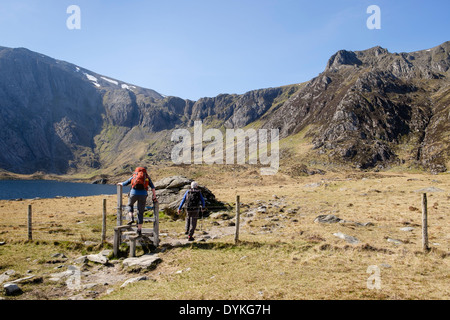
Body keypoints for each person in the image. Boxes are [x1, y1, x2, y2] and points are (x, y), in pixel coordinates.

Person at [118, 167, 157, 236]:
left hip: (133, 194)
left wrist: (120, 183)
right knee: (140, 212)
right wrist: (154, 196)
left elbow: (125, 183)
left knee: (130, 205)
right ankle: (139, 230)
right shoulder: (146, 177)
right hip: (143, 195)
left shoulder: (134, 176)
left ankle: (131, 217)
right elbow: (153, 187)